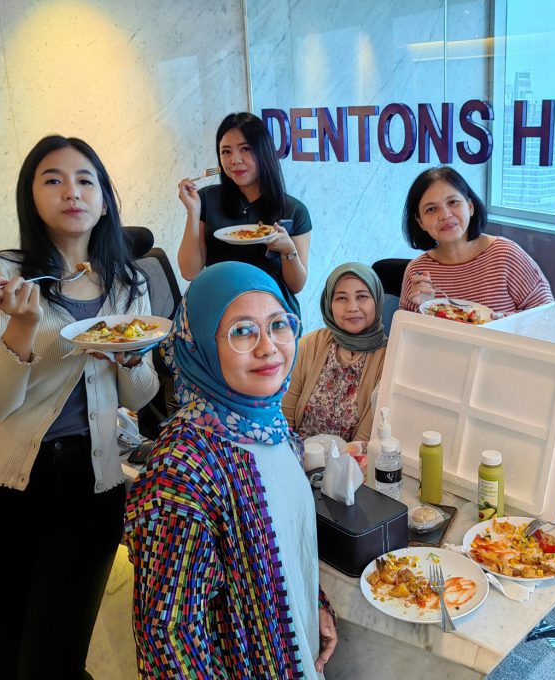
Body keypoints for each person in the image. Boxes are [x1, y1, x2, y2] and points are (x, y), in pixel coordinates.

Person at [0, 136, 160, 680]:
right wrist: (22, 327)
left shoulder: (128, 282)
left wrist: (130, 355)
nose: (72, 192)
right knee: (3, 662)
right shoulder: (2, 275)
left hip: (89, 488)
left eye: (86, 180)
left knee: (54, 664)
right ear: (31, 197)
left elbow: (139, 396)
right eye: (53, 180)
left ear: (104, 200)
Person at [125, 261, 336, 678]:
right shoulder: (182, 472)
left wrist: (313, 601)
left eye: (278, 324)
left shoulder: (272, 429)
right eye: (242, 331)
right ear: (200, 346)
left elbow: (279, 544)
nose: (268, 347)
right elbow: (170, 638)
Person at [176, 112, 312, 316]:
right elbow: (189, 271)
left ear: (263, 151)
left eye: (245, 149)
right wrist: (193, 211)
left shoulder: (294, 210)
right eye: (226, 151)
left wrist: (288, 250)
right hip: (219, 310)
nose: (235, 160)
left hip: (271, 312)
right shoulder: (206, 199)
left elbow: (296, 286)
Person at [400, 166, 553, 316]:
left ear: (470, 207)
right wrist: (423, 309)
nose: (445, 215)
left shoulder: (506, 255)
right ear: (420, 222)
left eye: (453, 202)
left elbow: (547, 314)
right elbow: (404, 328)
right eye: (431, 209)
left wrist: (502, 321)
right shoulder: (417, 271)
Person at [283, 262, 387, 442]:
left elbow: (365, 440)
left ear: (377, 301)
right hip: (297, 452)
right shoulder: (308, 345)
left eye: (362, 296)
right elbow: (285, 420)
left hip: (355, 459)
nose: (352, 307)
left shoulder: (389, 359)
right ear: (329, 303)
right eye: (341, 298)